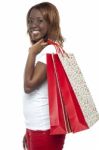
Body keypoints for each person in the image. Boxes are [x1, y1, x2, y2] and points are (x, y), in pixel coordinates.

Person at [23, 2, 66, 150]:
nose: (33, 25)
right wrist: (28, 130)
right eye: (30, 21)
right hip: (37, 127)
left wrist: (31, 53)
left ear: (51, 23)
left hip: (44, 129)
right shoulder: (46, 51)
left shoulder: (49, 51)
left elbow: (28, 86)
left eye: (40, 21)